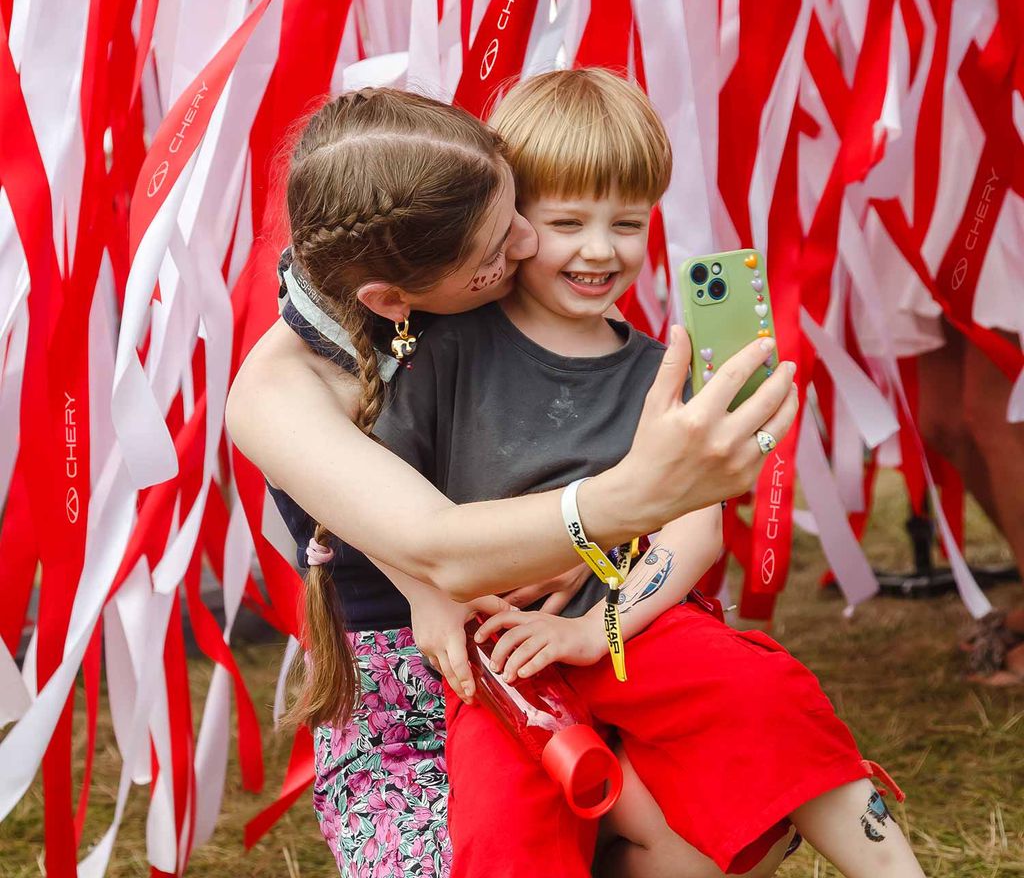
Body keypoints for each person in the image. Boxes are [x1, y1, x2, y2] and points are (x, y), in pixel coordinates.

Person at [224, 86, 799, 875]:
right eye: (501, 244)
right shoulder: (278, 390)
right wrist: (633, 500)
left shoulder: (449, 260)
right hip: (426, 705)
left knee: (736, 812)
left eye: (518, 212)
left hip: (569, 656)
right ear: (391, 299)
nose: (529, 244)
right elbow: (441, 548)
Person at [372, 69, 927, 878]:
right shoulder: (445, 349)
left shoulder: (659, 370)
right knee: (502, 828)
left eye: (627, 223)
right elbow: (376, 497)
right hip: (504, 663)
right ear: (511, 226)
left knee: (768, 702)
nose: (601, 249)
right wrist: (434, 593)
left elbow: (695, 528)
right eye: (568, 221)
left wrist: (595, 632)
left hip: (641, 626)